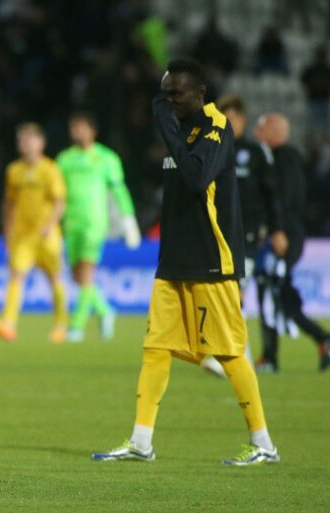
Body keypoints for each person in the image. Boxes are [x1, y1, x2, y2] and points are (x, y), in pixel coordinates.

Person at [92, 59, 279, 465]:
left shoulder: (216, 127)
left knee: (229, 351)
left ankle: (263, 443)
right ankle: (141, 441)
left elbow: (197, 178)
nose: (169, 101)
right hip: (174, 260)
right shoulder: (180, 127)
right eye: (164, 93)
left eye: (176, 93)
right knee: (156, 348)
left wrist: (168, 128)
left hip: (211, 258)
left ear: (200, 93)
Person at [199, 96, 285, 377]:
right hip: (216, 232)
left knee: (235, 289)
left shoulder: (255, 152)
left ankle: (232, 355)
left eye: (231, 118)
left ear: (241, 119)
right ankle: (238, 356)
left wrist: (277, 229)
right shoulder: (211, 149)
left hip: (245, 233)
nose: (226, 123)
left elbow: (272, 195)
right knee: (223, 292)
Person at [252, 112, 330, 372]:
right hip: (284, 232)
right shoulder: (286, 158)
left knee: (270, 291)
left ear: (275, 132)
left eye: (261, 128)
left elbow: (282, 199)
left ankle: (271, 357)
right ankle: (321, 339)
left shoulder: (282, 158)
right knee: (278, 293)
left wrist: (276, 230)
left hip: (283, 235)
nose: (256, 132)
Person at [55, 112, 141, 343]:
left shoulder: (106, 158)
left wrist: (129, 220)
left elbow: (119, 190)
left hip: (94, 223)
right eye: (74, 128)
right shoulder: (64, 159)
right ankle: (104, 310)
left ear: (93, 131)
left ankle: (76, 327)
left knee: (86, 273)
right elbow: (56, 193)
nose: (77, 132)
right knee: (78, 277)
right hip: (71, 223)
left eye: (81, 127)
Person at [0, 122, 67, 343]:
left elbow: (59, 202)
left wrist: (49, 224)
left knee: (54, 278)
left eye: (29, 139)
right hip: (22, 235)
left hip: (47, 235)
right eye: (21, 140)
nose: (24, 144)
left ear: (41, 143)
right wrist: (7, 231)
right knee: (16, 275)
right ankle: (8, 323)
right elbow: (9, 204)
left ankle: (60, 325)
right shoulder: (14, 170)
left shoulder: (50, 169)